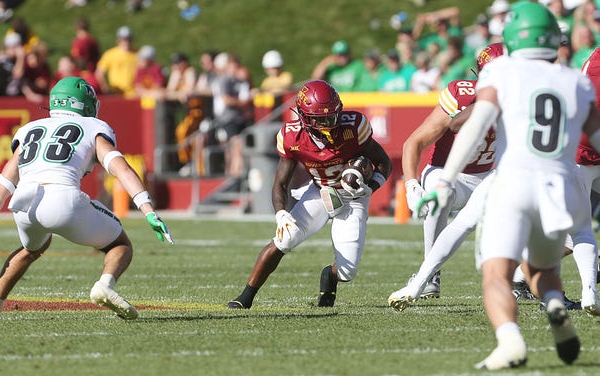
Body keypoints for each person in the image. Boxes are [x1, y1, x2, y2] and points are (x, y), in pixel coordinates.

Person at [419, 3, 600, 369]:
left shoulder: (501, 70)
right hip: (562, 185)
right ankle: (553, 302)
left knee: (496, 273)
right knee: (545, 269)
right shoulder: (575, 79)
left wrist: (446, 180)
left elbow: (475, 124)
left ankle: (510, 339)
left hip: (515, 182)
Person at [0, 77, 174, 321]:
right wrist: (148, 210)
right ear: (85, 104)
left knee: (31, 249)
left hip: (25, 205)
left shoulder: (29, 130)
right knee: (120, 245)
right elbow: (122, 170)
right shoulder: (93, 126)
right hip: (63, 199)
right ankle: (104, 286)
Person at [227, 80, 392, 309]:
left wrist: (370, 188)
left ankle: (330, 276)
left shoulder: (353, 127)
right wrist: (281, 214)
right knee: (285, 238)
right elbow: (280, 184)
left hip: (353, 196)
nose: (328, 123)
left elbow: (384, 163)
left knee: (347, 271)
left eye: (332, 116)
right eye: (320, 118)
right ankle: (246, 296)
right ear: (304, 116)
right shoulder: (291, 136)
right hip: (320, 191)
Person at [398, 42, 503, 301]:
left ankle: (520, 277)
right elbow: (414, 142)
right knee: (436, 194)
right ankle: (430, 275)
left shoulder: (525, 94)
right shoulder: (461, 94)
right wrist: (412, 185)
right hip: (448, 174)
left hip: (490, 175)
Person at [95, 26, 137, 95]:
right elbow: (99, 73)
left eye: (128, 39)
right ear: (118, 40)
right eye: (124, 39)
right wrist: (105, 89)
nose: (126, 42)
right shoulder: (110, 54)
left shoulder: (138, 54)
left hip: (134, 94)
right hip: (116, 93)